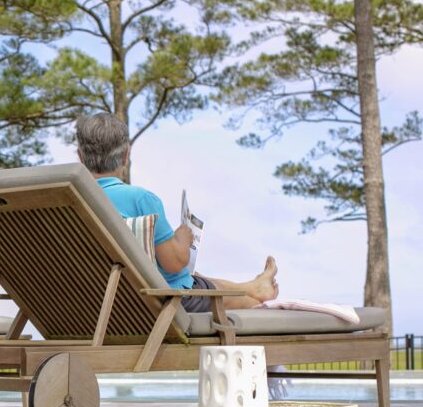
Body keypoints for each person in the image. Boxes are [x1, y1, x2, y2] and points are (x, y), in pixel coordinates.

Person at [75, 112, 278, 312]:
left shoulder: (73, 201)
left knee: (199, 281)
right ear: (125, 156)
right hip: (160, 304)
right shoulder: (140, 200)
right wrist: (182, 238)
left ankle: (255, 286)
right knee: (250, 305)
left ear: (80, 156)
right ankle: (254, 293)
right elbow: (174, 263)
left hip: (93, 304)